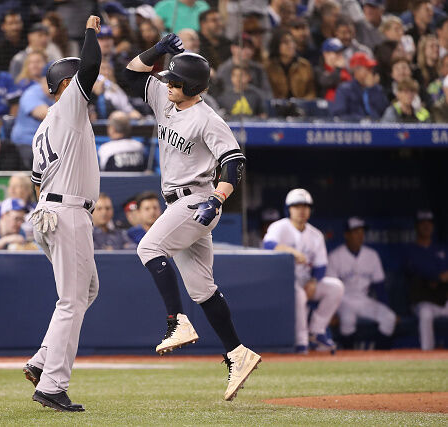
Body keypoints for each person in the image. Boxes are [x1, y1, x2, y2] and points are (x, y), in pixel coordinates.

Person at [124, 35, 260, 401]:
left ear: (193, 87)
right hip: (177, 203)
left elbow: (234, 162)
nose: (167, 84)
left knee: (149, 246)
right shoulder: (165, 100)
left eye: (175, 81)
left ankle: (176, 322)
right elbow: (131, 75)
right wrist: (157, 50)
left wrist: (218, 198)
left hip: (198, 200)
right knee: (202, 289)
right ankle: (238, 352)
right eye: (168, 79)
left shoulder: (207, 118)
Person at [22, 16, 102, 413]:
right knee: (72, 299)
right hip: (66, 210)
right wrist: (89, 32)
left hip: (54, 207)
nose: (89, 87)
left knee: (85, 293)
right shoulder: (69, 106)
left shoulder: (47, 124)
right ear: (66, 87)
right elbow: (89, 67)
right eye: (78, 81)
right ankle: (53, 385)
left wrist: (51, 207)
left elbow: (35, 179)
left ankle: (42, 362)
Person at [263, 189, 344, 354]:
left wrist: (314, 282)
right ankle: (302, 342)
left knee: (336, 287)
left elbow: (321, 265)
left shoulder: (315, 235)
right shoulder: (279, 227)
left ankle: (317, 330)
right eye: (297, 206)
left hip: (306, 280)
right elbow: (268, 245)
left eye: (305, 206)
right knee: (298, 295)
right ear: (289, 209)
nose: (301, 210)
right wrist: (290, 251)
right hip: (282, 280)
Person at [327, 217, 397, 349]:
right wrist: (333, 313)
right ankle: (349, 359)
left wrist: (386, 307)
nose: (360, 236)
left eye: (362, 232)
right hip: (343, 301)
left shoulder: (372, 255)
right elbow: (331, 291)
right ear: (346, 235)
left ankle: (379, 358)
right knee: (347, 320)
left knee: (389, 317)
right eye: (355, 232)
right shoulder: (335, 256)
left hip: (364, 300)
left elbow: (380, 287)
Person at [404, 210, 448, 351]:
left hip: (443, 299)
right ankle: (427, 352)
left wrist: (438, 277)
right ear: (417, 226)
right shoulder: (411, 250)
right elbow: (418, 271)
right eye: (422, 223)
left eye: (429, 223)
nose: (426, 226)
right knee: (426, 314)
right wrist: (437, 276)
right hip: (423, 300)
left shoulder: (441, 248)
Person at [11, 61, 55, 168]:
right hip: (25, 143)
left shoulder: (58, 96)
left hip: (48, 144)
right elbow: (47, 115)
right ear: (42, 80)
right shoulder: (31, 93)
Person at [330, 52, 389, 121]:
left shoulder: (377, 89)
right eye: (368, 68)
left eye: (371, 68)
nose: (371, 71)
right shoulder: (345, 89)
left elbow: (384, 112)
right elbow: (339, 115)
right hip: (355, 129)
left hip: (376, 128)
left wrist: (372, 89)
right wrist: (362, 120)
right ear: (356, 70)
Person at [215, 34, 272, 100]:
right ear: (233, 48)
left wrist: (249, 89)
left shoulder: (258, 69)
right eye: (242, 47)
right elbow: (218, 96)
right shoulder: (223, 70)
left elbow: (268, 95)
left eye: (250, 47)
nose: (246, 50)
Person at [265, 28, 316, 100]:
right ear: (276, 45)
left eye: (293, 41)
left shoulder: (305, 65)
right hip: (277, 108)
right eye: (286, 42)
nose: (291, 45)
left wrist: (301, 103)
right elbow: (268, 94)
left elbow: (311, 92)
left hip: (302, 107)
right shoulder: (268, 68)